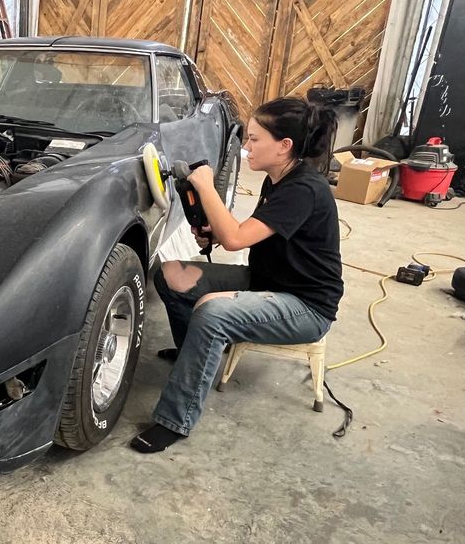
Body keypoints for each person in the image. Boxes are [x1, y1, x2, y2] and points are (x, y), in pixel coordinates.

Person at [131, 97, 344, 453]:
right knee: (171, 275)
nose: (246, 146)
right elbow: (252, 232)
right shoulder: (277, 179)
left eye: (255, 139)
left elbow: (235, 240)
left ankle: (175, 420)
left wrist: (205, 186)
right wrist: (213, 233)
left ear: (284, 146)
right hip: (266, 280)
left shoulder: (304, 189)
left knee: (213, 313)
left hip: (305, 306)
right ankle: (194, 356)